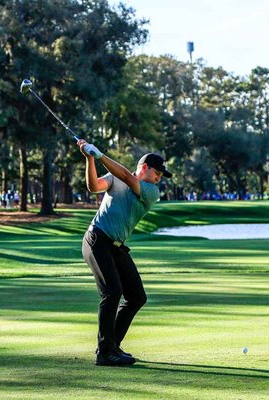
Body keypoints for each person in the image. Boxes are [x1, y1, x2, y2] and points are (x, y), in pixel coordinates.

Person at [77, 139, 172, 367]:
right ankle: (105, 352)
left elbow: (128, 179)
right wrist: (90, 159)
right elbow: (93, 187)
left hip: (116, 245)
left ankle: (111, 346)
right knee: (112, 292)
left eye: (161, 176)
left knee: (137, 296)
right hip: (97, 239)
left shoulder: (151, 192)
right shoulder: (114, 178)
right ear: (144, 167)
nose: (159, 178)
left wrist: (99, 155)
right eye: (157, 173)